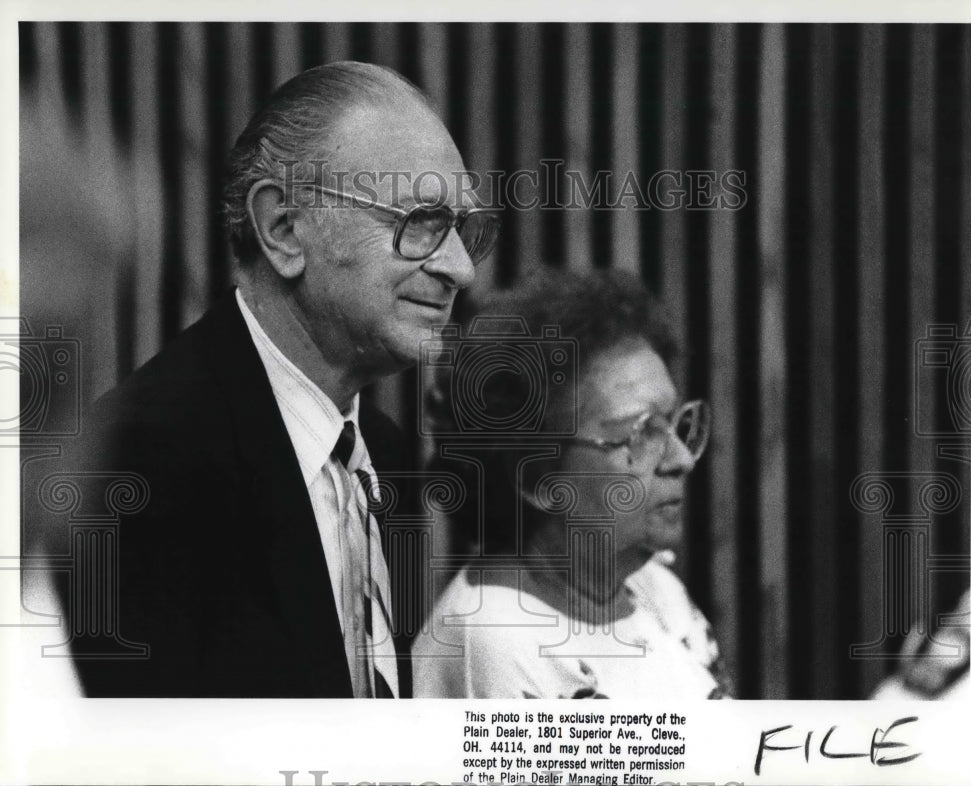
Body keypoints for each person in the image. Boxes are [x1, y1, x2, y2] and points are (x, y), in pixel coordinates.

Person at [58, 61, 497, 697]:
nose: (461, 270)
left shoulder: (384, 451)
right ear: (284, 229)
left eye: (463, 230)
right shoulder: (139, 463)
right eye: (420, 223)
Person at [413, 270, 732, 699]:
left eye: (674, 425)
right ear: (538, 479)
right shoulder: (497, 640)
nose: (681, 460)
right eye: (640, 435)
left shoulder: (653, 586)